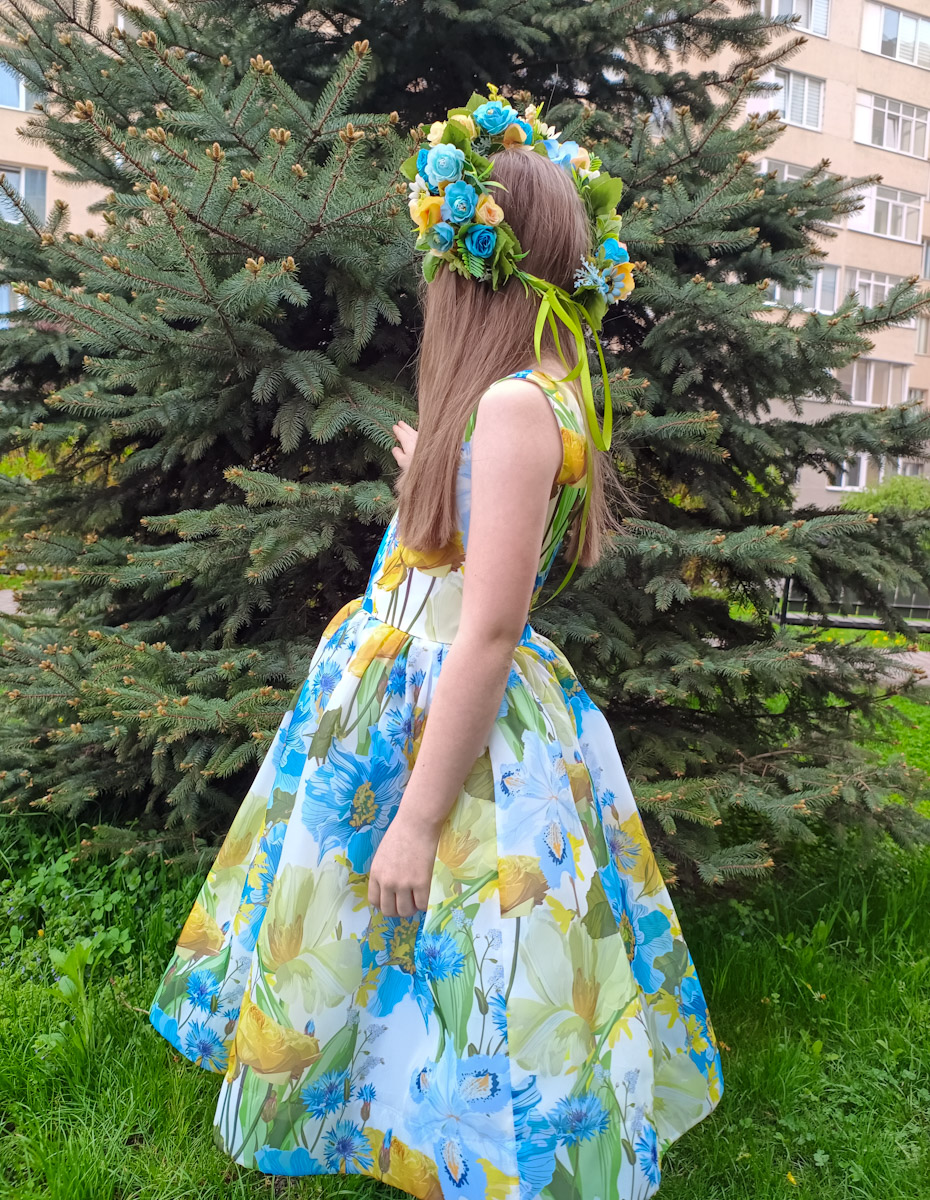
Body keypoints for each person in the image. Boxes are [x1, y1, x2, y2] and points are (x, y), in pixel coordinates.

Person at [148, 86, 724, 1200]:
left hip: (443, 712)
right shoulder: (545, 393)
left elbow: (490, 627)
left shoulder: (510, 409)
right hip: (423, 685)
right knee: (415, 945)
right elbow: (488, 540)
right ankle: (399, 1113)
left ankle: (452, 1140)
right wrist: (439, 472)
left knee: (447, 925)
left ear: (473, 273)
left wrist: (415, 818)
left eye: (440, 268)